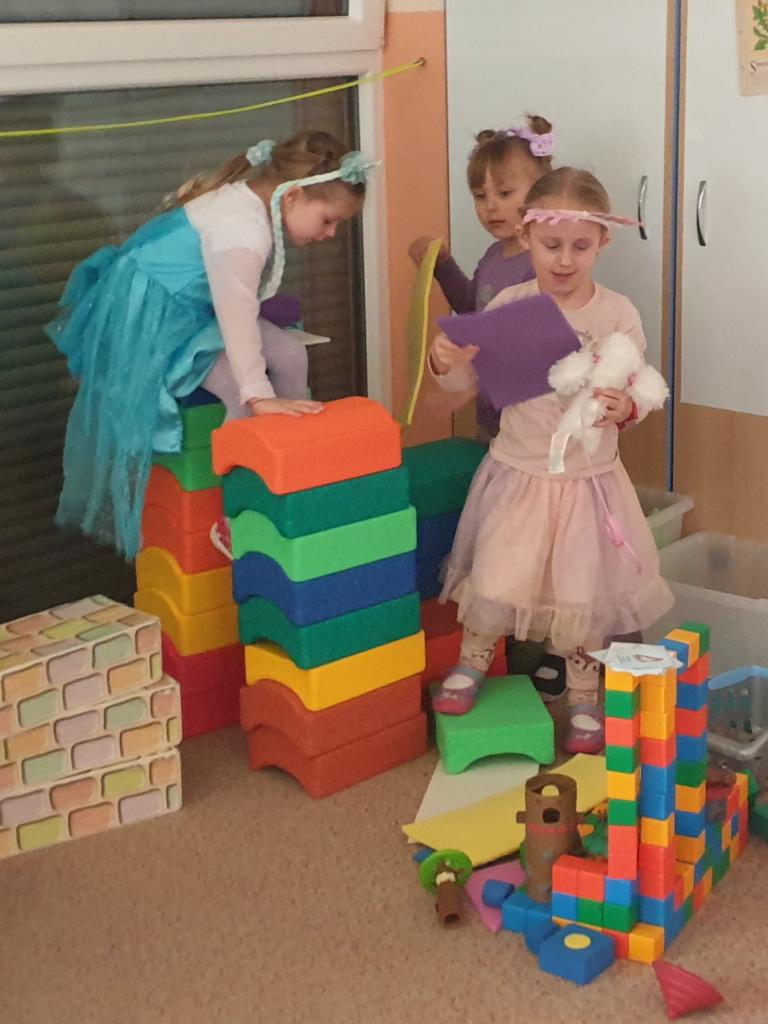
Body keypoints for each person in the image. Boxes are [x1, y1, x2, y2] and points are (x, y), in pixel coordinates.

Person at [427, 167, 674, 754]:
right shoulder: (510, 304)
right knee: (498, 575)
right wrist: (444, 361)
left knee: (579, 598)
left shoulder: (616, 313)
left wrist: (624, 407)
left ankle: (583, 694)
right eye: (551, 245)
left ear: (602, 243)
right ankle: (472, 661)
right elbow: (464, 388)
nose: (564, 260)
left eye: (580, 247)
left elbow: (639, 389)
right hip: (519, 472)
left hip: (587, 482)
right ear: (527, 238)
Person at [46, 130, 373, 560]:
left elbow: (235, 304)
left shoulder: (251, 202)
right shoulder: (243, 231)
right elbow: (236, 312)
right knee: (240, 389)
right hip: (158, 317)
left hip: (193, 305)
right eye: (328, 220)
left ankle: (296, 469)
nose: (330, 233)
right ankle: (235, 515)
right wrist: (258, 394)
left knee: (291, 353)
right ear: (292, 196)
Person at [409, 114, 554, 440]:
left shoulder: (543, 264)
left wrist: (470, 388)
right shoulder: (493, 255)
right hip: (491, 422)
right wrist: (443, 265)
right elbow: (471, 306)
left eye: (504, 193)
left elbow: (533, 348)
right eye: (480, 195)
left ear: (540, 193)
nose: (490, 207)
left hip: (533, 428)